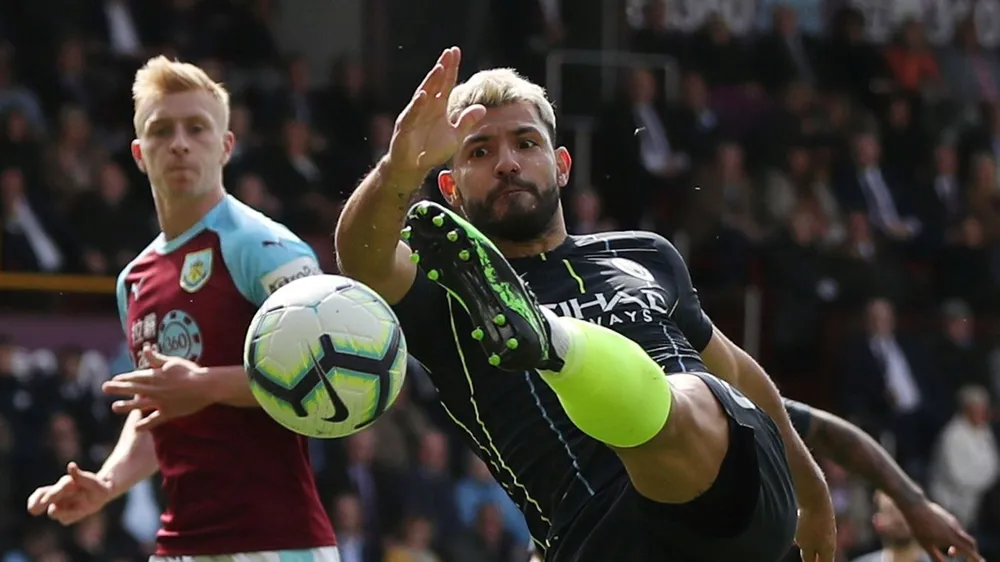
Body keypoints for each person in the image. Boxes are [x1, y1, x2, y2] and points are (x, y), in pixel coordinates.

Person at [335, 46, 835, 562]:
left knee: (691, 397)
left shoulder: (646, 254)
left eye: (526, 143)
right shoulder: (442, 283)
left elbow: (738, 372)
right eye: (479, 152)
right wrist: (396, 171)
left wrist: (814, 493)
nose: (507, 163)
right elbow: (360, 260)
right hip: (600, 537)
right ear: (451, 190)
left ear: (561, 164)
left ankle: (550, 341)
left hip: (736, 488)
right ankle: (555, 343)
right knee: (687, 400)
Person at [25, 57, 338, 560]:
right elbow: (159, 408)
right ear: (138, 153)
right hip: (179, 547)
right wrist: (106, 483)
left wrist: (204, 384)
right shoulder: (134, 280)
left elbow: (325, 376)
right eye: (161, 130)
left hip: (278, 542)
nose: (179, 143)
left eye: (197, 128)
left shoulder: (265, 247)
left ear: (227, 146)